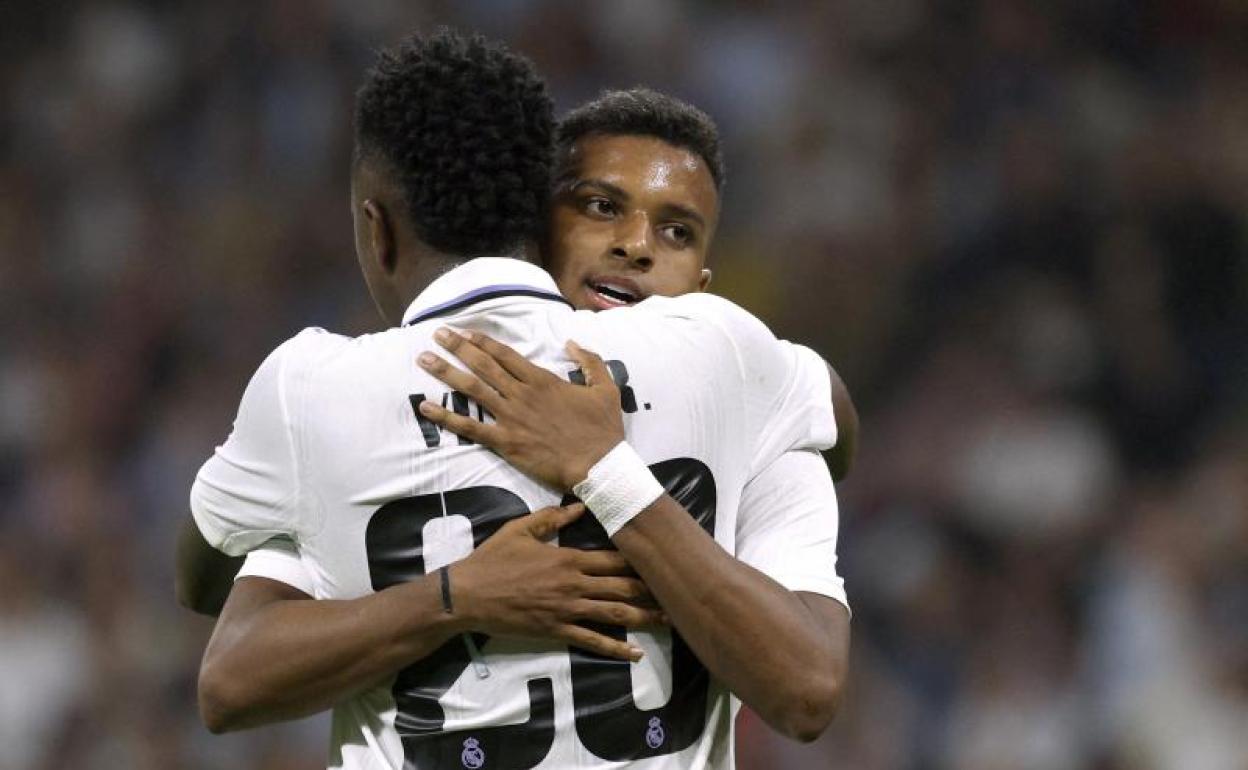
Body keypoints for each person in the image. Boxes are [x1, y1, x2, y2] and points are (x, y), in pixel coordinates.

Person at [186, 29, 848, 769]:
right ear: (539, 216)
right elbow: (835, 415)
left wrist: (601, 467)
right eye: (601, 206)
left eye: (675, 230)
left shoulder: (317, 393)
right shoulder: (728, 355)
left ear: (375, 229)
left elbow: (209, 597)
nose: (635, 245)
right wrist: (456, 595)